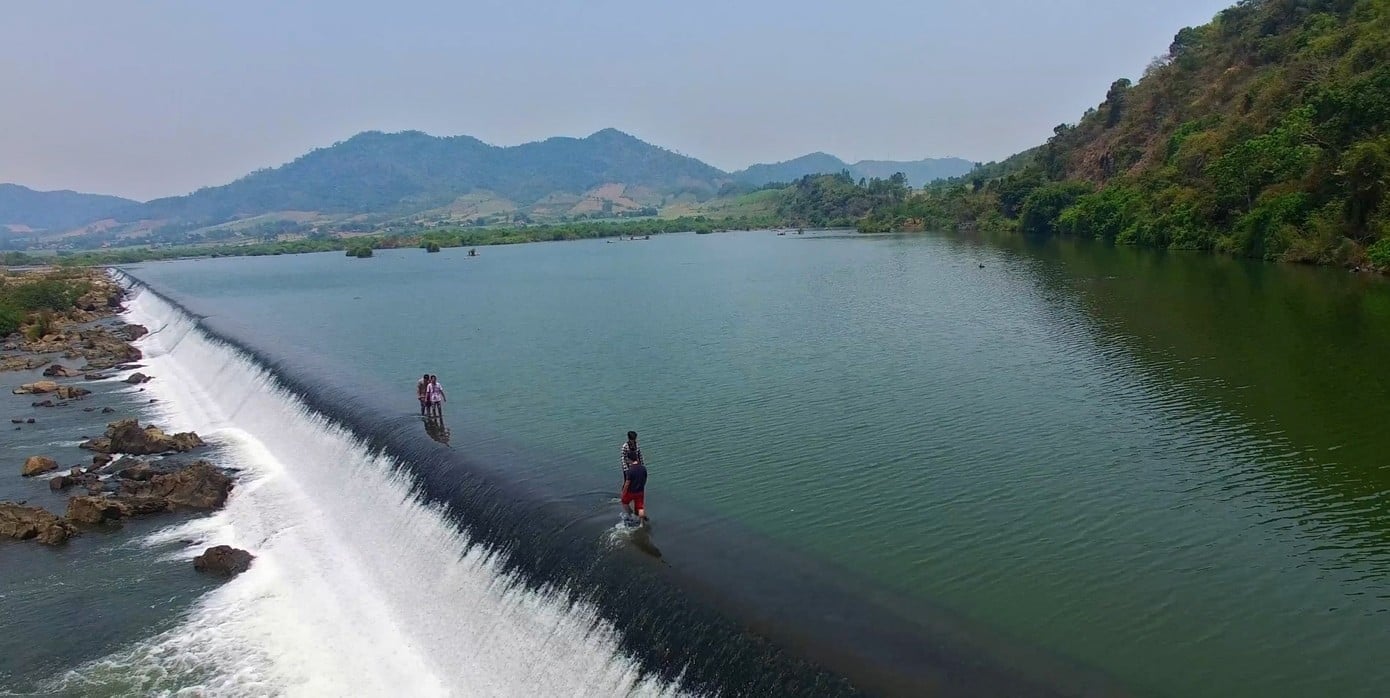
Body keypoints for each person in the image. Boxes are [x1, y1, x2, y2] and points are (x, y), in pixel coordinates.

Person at [621, 454, 648, 524]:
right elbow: (645, 478)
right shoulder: (643, 468)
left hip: (631, 491)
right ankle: (642, 523)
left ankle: (631, 515)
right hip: (640, 491)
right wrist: (642, 486)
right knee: (640, 507)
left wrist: (623, 492)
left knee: (624, 502)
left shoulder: (630, 470)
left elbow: (627, 483)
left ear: (630, 460)